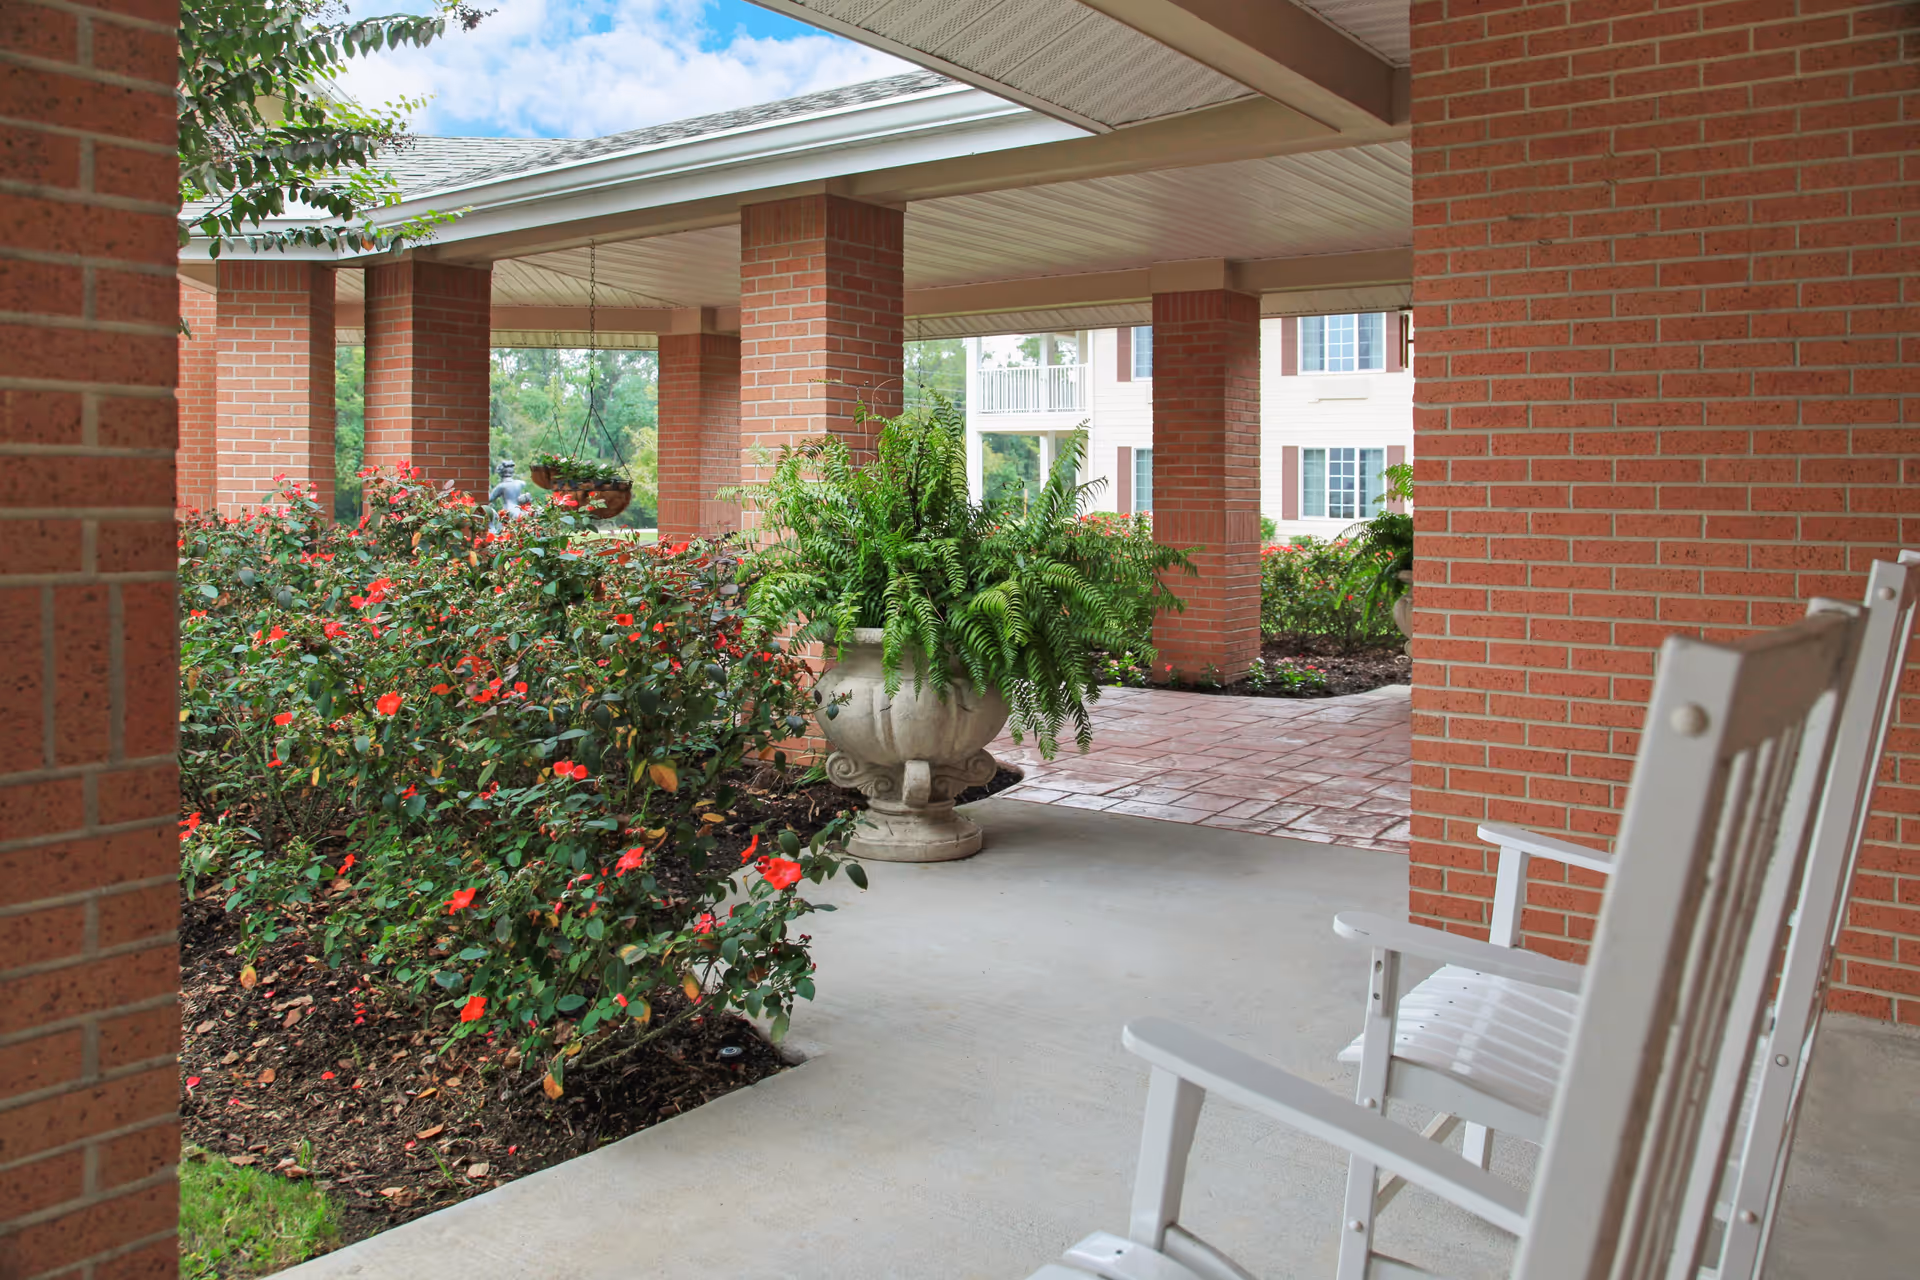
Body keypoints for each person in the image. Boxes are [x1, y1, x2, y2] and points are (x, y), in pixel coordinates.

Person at [488, 458, 533, 533]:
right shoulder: (519, 483)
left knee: (504, 532)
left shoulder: (502, 486)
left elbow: (490, 498)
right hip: (518, 510)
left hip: (507, 510)